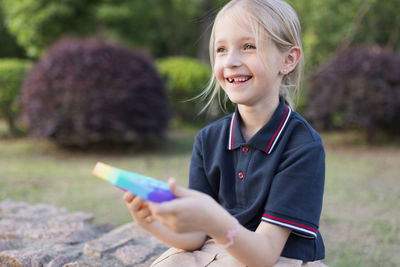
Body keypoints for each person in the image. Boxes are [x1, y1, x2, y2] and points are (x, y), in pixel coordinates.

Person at [124, 0, 326, 266]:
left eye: (248, 46)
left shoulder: (302, 146)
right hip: (214, 248)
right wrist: (150, 222)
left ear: (288, 60)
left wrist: (212, 218)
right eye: (221, 49)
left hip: (274, 258)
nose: (231, 61)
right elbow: (196, 237)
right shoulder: (207, 140)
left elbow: (265, 254)